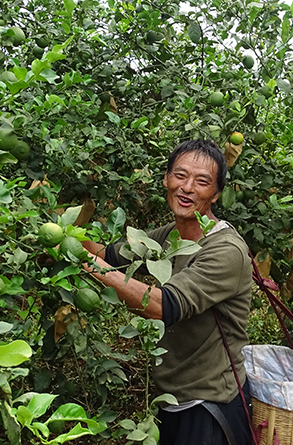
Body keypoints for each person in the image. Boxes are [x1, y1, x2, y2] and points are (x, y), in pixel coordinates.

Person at [81, 139, 254, 445]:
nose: (187, 188)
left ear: (215, 194)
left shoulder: (226, 251)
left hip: (210, 407)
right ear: (166, 178)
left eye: (202, 181)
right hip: (171, 399)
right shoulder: (170, 236)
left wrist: (85, 264)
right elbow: (108, 255)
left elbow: (162, 306)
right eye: (180, 175)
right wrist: (60, 236)